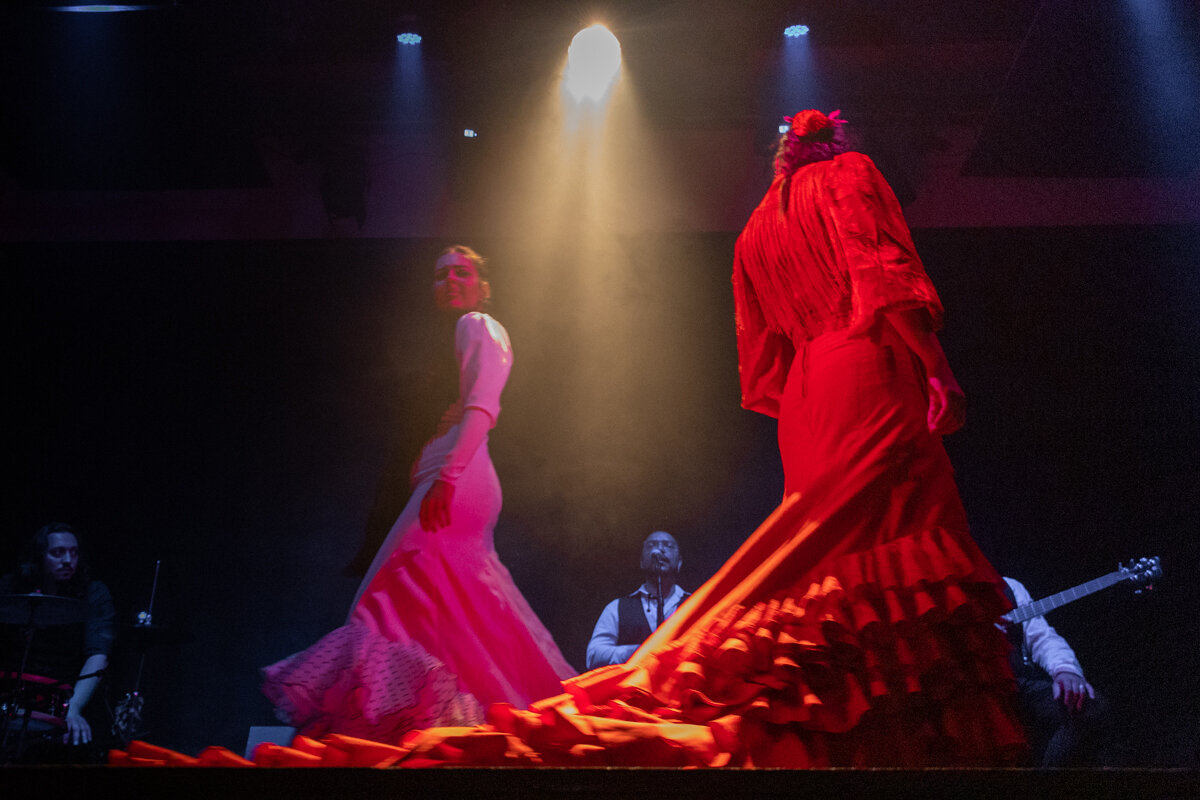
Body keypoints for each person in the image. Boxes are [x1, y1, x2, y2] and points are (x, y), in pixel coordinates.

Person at [261, 245, 576, 743]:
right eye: (440, 275)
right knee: (449, 612)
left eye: (463, 272)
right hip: (445, 475)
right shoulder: (447, 343)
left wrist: (448, 477)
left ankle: (437, 722)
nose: (450, 280)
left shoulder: (477, 324)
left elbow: (483, 403)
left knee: (380, 602)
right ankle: (471, 720)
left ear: (484, 286)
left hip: (458, 480)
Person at [0, 523, 115, 761]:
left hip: (65, 693)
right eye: (58, 553)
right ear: (39, 556)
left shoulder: (94, 593)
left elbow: (98, 655)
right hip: (12, 688)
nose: (67, 560)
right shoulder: (10, 587)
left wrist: (73, 708)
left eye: (74, 553)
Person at [1003, 576, 1108, 767]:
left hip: (1011, 687)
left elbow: (1042, 636)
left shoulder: (1008, 586)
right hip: (954, 694)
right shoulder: (933, 587)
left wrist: (1065, 669)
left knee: (1087, 707)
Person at [586, 531, 690, 669]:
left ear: (679, 562)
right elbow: (594, 656)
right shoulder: (617, 607)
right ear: (642, 562)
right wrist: (639, 651)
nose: (659, 549)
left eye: (668, 545)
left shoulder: (698, 603)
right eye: (652, 545)